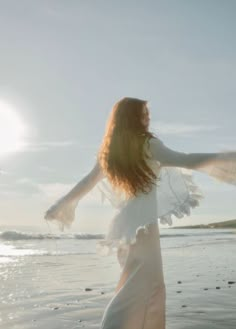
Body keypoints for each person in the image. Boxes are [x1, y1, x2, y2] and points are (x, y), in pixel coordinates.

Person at [44, 97, 236, 329]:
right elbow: (184, 160)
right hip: (143, 227)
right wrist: (226, 159)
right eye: (144, 114)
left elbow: (87, 182)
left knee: (143, 287)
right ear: (132, 117)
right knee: (142, 289)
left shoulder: (111, 151)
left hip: (124, 227)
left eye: (148, 114)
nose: (148, 119)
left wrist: (60, 204)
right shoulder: (148, 144)